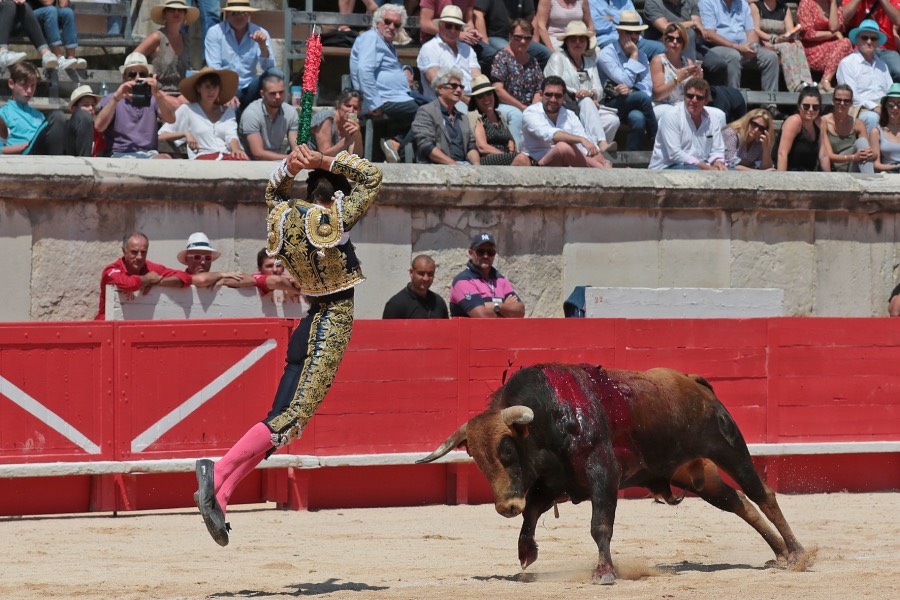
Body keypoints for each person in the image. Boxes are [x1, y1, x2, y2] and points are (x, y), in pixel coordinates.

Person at [193, 146, 383, 547]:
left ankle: (222, 495)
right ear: (336, 196)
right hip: (329, 324)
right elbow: (373, 177)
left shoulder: (282, 216)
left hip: (305, 324)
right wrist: (321, 161)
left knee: (278, 419)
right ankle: (218, 469)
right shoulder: (335, 218)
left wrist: (289, 166)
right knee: (292, 420)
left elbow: (272, 191)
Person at [349, 4, 420, 162]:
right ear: (378, 21)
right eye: (388, 21)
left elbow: (390, 69)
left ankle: (395, 146)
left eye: (397, 24)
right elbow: (364, 70)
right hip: (382, 100)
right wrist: (375, 103)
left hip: (398, 97)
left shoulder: (386, 43)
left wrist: (407, 69)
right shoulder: (371, 38)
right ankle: (396, 144)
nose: (392, 27)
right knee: (425, 113)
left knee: (436, 107)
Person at [544, 20, 621, 151]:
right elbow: (554, 83)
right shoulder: (558, 57)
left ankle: (592, 152)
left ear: (587, 43)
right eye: (573, 39)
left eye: (582, 39)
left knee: (612, 121)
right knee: (585, 101)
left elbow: (599, 89)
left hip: (589, 108)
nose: (578, 43)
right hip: (566, 106)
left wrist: (591, 93)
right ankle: (601, 144)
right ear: (567, 42)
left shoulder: (590, 61)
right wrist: (578, 93)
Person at [649, 22, 746, 124]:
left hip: (685, 105)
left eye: (679, 40)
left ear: (684, 43)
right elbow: (658, 95)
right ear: (664, 40)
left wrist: (699, 80)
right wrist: (678, 79)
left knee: (719, 115)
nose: (674, 42)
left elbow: (697, 93)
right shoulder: (658, 61)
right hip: (664, 106)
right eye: (670, 38)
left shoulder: (688, 62)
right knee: (678, 115)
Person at [94, 52, 177, 159]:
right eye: (132, 74)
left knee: (165, 159)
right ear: (124, 78)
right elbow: (99, 127)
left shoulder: (154, 98)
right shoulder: (112, 98)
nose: (137, 78)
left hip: (149, 154)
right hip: (119, 154)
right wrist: (116, 98)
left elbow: (171, 119)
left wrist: (158, 94)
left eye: (142, 74)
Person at [95, 231, 192, 320]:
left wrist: (159, 281)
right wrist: (147, 279)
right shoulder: (111, 270)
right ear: (124, 251)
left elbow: (185, 277)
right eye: (134, 252)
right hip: (106, 330)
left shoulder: (150, 268)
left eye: (143, 252)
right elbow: (129, 284)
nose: (139, 257)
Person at [0, 61, 91, 156]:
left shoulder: (38, 115)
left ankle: (85, 163)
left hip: (46, 151)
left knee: (82, 115)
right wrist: (25, 145)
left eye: (33, 85)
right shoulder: (3, 114)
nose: (29, 90)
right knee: (57, 116)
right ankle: (56, 164)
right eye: (24, 85)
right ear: (11, 84)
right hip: (26, 155)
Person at [598, 11, 659, 151]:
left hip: (632, 101)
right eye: (629, 32)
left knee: (638, 118)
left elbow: (648, 85)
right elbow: (625, 80)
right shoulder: (607, 54)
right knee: (642, 98)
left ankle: (632, 160)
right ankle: (656, 141)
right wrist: (634, 55)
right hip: (610, 102)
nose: (634, 37)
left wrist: (632, 91)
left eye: (637, 33)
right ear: (620, 32)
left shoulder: (642, 55)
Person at [699, 0, 781, 102]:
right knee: (733, 56)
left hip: (744, 48)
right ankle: (734, 102)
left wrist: (752, 47)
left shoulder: (743, 4)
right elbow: (710, 35)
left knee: (771, 57)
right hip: (718, 48)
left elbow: (752, 32)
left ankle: (770, 104)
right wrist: (737, 47)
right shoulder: (708, 2)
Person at [521, 75, 612, 166]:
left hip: (565, 163)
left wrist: (604, 161)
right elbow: (551, 135)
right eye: (548, 95)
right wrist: (580, 139)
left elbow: (587, 148)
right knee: (563, 147)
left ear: (564, 97)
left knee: (575, 148)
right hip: (537, 162)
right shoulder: (530, 113)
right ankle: (603, 172)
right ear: (541, 94)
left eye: (558, 96)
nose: (553, 99)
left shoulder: (570, 115)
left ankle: (605, 170)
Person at [158, 67, 247, 160]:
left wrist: (236, 149)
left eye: (215, 87)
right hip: (203, 158)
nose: (211, 91)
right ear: (198, 88)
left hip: (227, 156)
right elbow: (162, 135)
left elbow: (231, 135)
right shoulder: (187, 109)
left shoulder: (228, 111)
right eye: (207, 87)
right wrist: (185, 133)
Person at [204, 0, 278, 111]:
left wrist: (263, 46)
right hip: (225, 86)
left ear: (249, 14)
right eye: (234, 13)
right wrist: (227, 93)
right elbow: (215, 68)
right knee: (232, 108)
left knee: (276, 73)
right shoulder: (215, 32)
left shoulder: (260, 32)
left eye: (243, 12)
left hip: (250, 87)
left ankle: (275, 112)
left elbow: (269, 68)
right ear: (227, 14)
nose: (239, 16)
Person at [648, 76, 728, 169]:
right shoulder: (671, 116)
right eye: (690, 96)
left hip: (699, 166)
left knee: (730, 172)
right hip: (667, 166)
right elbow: (675, 154)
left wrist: (718, 162)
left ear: (706, 101)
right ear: (684, 96)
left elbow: (718, 149)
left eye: (699, 97)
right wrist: (704, 166)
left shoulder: (713, 119)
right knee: (697, 173)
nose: (694, 100)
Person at [489, 18, 545, 146]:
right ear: (510, 36)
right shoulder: (501, 57)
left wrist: (533, 107)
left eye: (527, 38)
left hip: (528, 107)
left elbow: (539, 89)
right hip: (507, 106)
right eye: (518, 37)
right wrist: (522, 108)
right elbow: (498, 90)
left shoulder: (533, 61)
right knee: (517, 114)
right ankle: (517, 153)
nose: (523, 41)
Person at [411, 67, 481, 164]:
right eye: (454, 86)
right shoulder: (426, 111)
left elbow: (471, 146)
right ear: (440, 89)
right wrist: (453, 164)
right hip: (436, 168)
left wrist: (477, 167)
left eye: (461, 87)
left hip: (464, 167)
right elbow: (426, 145)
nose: (459, 90)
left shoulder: (463, 118)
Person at [449, 232, 525, 318]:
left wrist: (496, 306)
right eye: (480, 252)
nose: (486, 256)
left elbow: (520, 311)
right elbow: (482, 316)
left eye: (490, 252)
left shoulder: (501, 280)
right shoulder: (463, 280)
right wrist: (507, 309)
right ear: (470, 254)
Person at [836, 19, 892, 133]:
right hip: (858, 109)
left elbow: (890, 90)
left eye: (873, 38)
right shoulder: (847, 63)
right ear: (857, 39)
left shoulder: (883, 65)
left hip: (883, 108)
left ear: (877, 42)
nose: (869, 41)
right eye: (865, 37)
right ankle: (873, 150)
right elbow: (850, 96)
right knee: (872, 117)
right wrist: (875, 107)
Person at [135, 0, 198, 99]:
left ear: (185, 14)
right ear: (164, 14)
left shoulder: (187, 39)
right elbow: (133, 59)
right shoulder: (157, 37)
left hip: (181, 94)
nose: (176, 13)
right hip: (158, 93)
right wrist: (146, 79)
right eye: (171, 10)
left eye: (180, 10)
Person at [749, 0, 816, 91]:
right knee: (786, 47)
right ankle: (795, 85)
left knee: (798, 44)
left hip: (781, 41)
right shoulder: (756, 6)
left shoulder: (784, 9)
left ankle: (807, 81)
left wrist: (788, 36)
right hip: (765, 42)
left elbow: (789, 30)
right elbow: (755, 29)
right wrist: (773, 39)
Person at [417, 5, 481, 100]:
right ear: (440, 25)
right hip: (444, 104)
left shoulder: (468, 49)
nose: (453, 30)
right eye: (448, 25)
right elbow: (438, 83)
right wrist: (469, 102)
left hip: (472, 101)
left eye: (457, 27)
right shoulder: (429, 48)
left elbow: (478, 79)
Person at [467, 75, 532, 165]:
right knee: (521, 158)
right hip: (488, 159)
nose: (486, 99)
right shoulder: (476, 116)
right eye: (480, 96)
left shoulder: (500, 116)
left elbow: (509, 139)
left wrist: (511, 143)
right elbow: (482, 147)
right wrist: (504, 155)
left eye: (489, 93)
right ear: (475, 100)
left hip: (507, 157)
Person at [474, 0, 553, 68]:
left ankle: (538, 82)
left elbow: (531, 17)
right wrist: (485, 42)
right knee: (510, 55)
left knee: (546, 54)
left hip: (520, 37)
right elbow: (478, 14)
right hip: (495, 36)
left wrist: (534, 41)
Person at [240, 73, 299, 160]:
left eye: (281, 92)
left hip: (278, 161)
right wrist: (289, 158)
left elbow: (295, 145)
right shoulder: (251, 113)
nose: (278, 97)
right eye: (273, 93)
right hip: (251, 163)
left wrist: (297, 155)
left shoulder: (291, 112)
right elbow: (258, 153)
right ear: (262, 94)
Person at [797, 0, 852, 93]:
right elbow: (808, 34)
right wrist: (832, 34)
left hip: (834, 50)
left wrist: (833, 3)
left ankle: (827, 82)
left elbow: (834, 28)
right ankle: (825, 82)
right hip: (811, 50)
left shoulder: (836, 6)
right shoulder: (806, 3)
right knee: (845, 43)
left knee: (846, 44)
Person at [820, 83, 876, 172]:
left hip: (853, 166)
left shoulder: (858, 123)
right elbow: (829, 155)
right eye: (838, 100)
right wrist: (853, 157)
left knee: (862, 143)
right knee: (862, 146)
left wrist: (868, 154)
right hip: (835, 167)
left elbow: (866, 151)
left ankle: (869, 178)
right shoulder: (823, 122)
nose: (842, 103)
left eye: (846, 101)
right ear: (833, 101)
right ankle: (870, 179)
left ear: (851, 103)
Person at [841, 0, 900, 81]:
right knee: (856, 72)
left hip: (887, 49)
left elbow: (898, 20)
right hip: (862, 46)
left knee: (898, 70)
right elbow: (842, 17)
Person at [589, 0, 665, 58]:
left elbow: (637, 20)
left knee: (663, 49)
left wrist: (612, 18)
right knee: (622, 52)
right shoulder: (590, 2)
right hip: (608, 40)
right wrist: (623, 20)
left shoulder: (625, 1)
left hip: (635, 38)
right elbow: (598, 26)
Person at [382, 255, 450, 319]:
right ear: (411, 273)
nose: (426, 278)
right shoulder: (396, 305)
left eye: (430, 274)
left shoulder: (439, 302)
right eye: (421, 273)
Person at [0, 0, 62, 70]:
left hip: (13, 22)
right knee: (9, 4)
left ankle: (45, 53)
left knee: (24, 6)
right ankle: (2, 53)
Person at [775, 86, 826, 170]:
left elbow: (823, 155)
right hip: (789, 171)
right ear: (799, 106)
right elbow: (782, 153)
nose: (810, 110)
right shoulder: (794, 121)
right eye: (806, 106)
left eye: (815, 107)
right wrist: (782, 180)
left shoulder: (820, 123)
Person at [29, 0, 88, 70]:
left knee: (68, 12)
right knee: (51, 10)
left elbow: (63, 4)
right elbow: (47, 2)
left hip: (49, 16)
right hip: (29, 18)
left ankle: (71, 58)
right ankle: (58, 58)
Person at [176, 232, 243, 288]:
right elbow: (202, 280)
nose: (203, 262)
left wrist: (225, 280)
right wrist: (221, 274)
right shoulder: (177, 279)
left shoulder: (217, 279)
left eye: (207, 258)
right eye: (197, 257)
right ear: (186, 259)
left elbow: (249, 279)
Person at [308, 90, 362, 158]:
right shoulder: (326, 118)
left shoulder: (350, 124)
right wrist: (346, 140)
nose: (351, 111)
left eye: (355, 108)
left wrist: (357, 135)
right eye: (348, 106)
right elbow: (324, 156)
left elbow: (356, 157)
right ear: (338, 104)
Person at [870, 83, 900, 172]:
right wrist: (896, 167)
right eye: (891, 104)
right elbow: (876, 165)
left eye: (899, 104)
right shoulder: (876, 132)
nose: (895, 108)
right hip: (888, 174)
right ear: (885, 106)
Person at [67, 84, 103, 157]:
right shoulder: (67, 130)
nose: (91, 108)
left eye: (93, 105)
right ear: (74, 109)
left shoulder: (99, 130)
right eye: (86, 105)